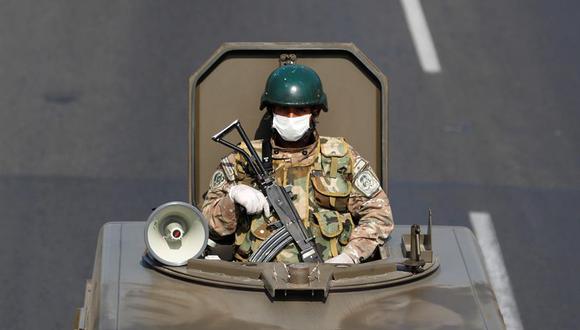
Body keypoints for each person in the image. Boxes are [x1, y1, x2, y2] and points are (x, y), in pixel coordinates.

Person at [201, 64, 393, 264]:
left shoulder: (342, 158)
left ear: (315, 112)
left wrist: (351, 255)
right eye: (283, 109)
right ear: (272, 111)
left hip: (332, 277)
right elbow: (207, 225)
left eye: (300, 110)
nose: (291, 117)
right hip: (253, 279)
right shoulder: (242, 160)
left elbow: (379, 215)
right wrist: (231, 200)